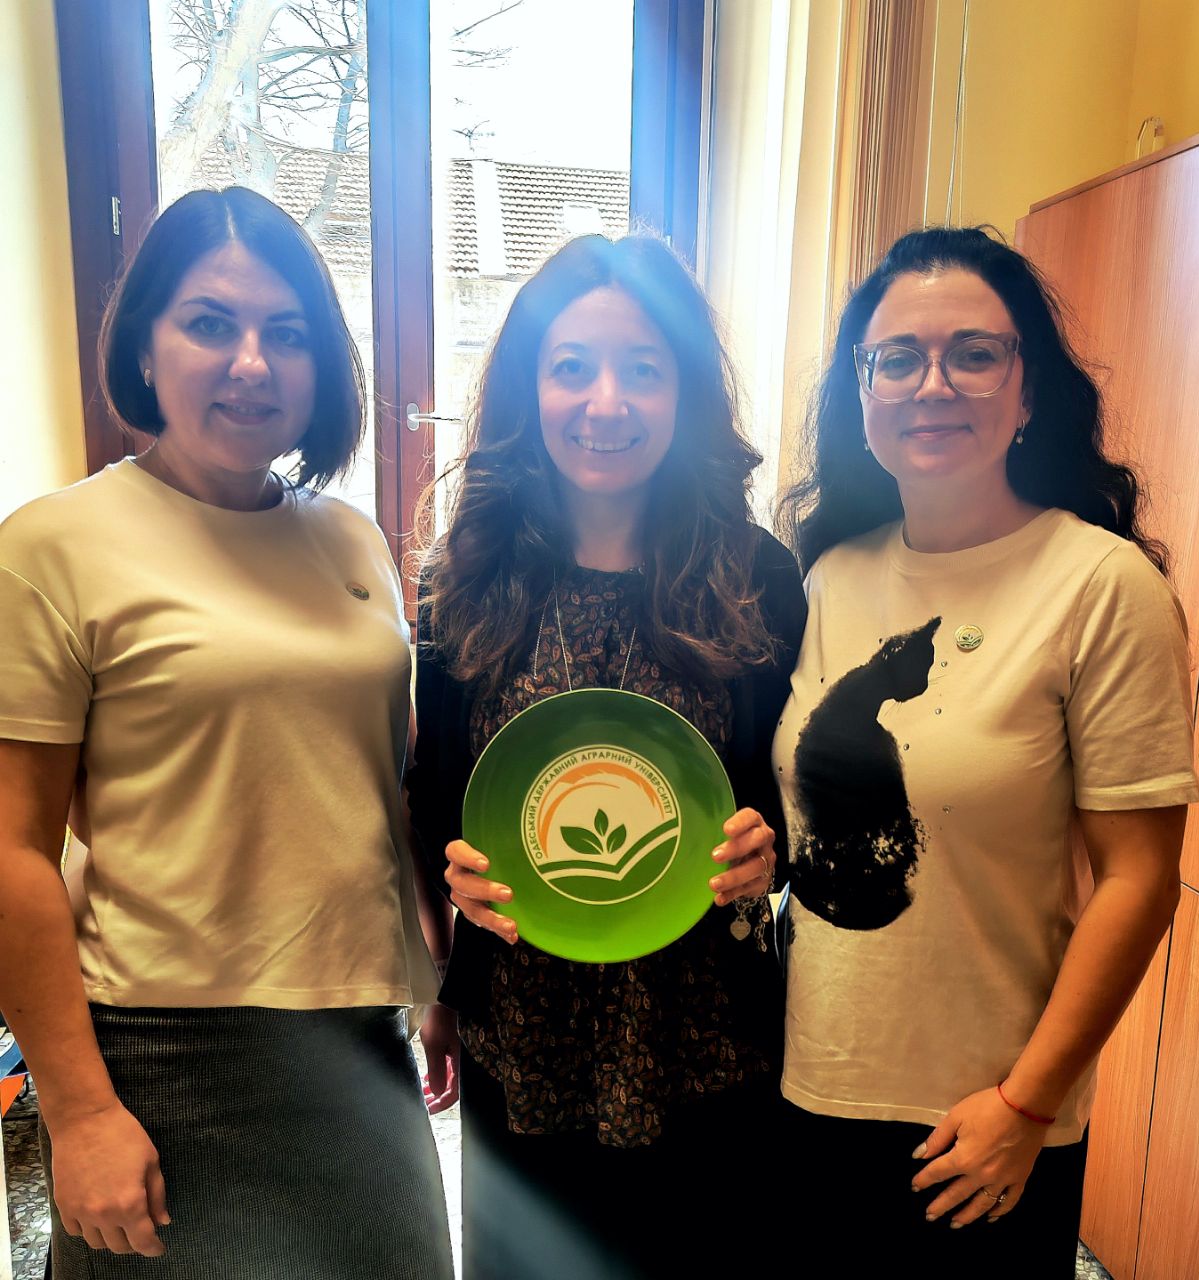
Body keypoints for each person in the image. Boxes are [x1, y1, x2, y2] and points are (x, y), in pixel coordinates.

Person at [0, 187, 454, 1279]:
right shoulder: (54, 546)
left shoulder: (351, 540)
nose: (252, 363)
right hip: (163, 1058)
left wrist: (432, 981)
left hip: (361, 1044)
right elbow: (12, 849)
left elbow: (374, 787)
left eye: (286, 333)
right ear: (144, 347)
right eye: (209, 322)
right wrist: (79, 1111)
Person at [773, 226, 1199, 1277]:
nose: (932, 385)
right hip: (808, 1084)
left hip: (983, 1117)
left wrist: (1027, 1103)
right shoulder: (826, 575)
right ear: (862, 391)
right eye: (897, 359)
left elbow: (1139, 880)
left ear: (1028, 389)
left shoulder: (1100, 585)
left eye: (973, 354)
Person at [407, 233, 806, 1279]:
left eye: (643, 368)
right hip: (522, 1034)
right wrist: (442, 956)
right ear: (528, 387)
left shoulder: (756, 576)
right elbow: (435, 801)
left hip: (707, 1034)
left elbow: (788, 793)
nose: (606, 402)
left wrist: (769, 850)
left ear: (685, 391)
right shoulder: (464, 579)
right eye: (571, 366)